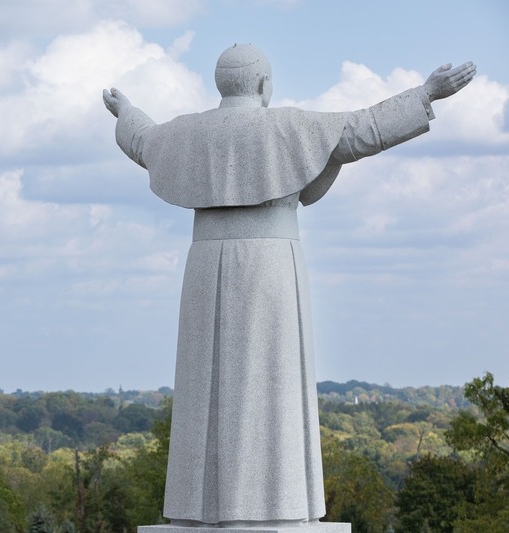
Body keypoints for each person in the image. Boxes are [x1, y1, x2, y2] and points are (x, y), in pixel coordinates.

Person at [103, 44, 475, 529]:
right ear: (262, 86)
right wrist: (427, 93)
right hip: (269, 270)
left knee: (209, 386)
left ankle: (209, 508)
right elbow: (364, 130)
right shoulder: (288, 127)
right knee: (270, 382)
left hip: (203, 269)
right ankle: (274, 505)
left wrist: (125, 109)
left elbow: (142, 139)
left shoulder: (186, 133)